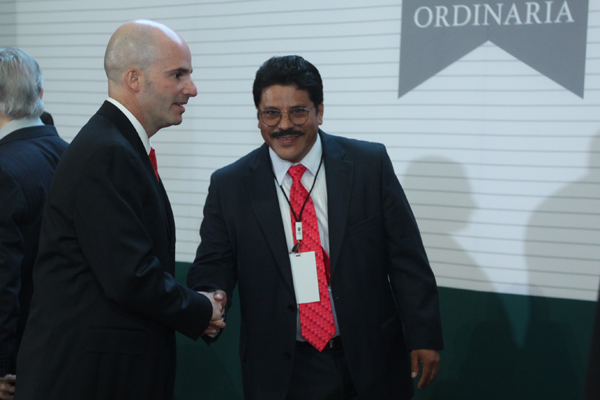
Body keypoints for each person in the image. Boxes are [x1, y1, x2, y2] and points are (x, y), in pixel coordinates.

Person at [187, 55, 444, 400]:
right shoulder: (230, 185)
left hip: (371, 357)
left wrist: (423, 334)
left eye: (298, 112)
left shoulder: (368, 165)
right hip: (283, 368)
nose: (284, 125)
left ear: (319, 111)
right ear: (259, 117)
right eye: (271, 113)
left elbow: (406, 257)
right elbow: (213, 264)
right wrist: (211, 300)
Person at [16, 20, 225, 400]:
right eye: (178, 75)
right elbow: (130, 275)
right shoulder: (107, 152)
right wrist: (200, 309)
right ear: (134, 79)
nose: (191, 88)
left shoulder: (114, 144)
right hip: (88, 379)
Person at [0, 47, 68, 400]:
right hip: (65, 353)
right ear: (39, 92)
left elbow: (3, 281)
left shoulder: (3, 168)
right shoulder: (70, 153)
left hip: (17, 364)